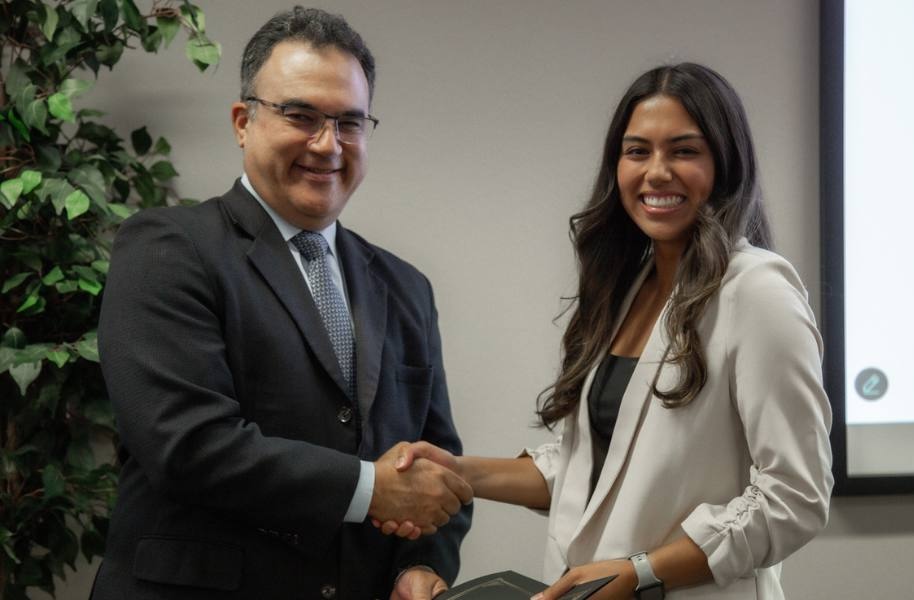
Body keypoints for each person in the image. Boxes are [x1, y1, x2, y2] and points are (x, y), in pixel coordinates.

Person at [389, 63, 833, 599]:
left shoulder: (758, 290)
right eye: (638, 151)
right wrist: (458, 473)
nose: (657, 172)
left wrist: (642, 572)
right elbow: (590, 468)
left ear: (726, 164)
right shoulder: (629, 285)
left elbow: (796, 496)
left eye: (685, 151)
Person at [93, 7, 472, 600]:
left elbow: (436, 463)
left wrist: (421, 564)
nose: (328, 144)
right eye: (301, 115)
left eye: (350, 121)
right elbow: (186, 445)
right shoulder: (169, 248)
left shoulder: (405, 286)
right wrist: (371, 488)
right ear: (243, 121)